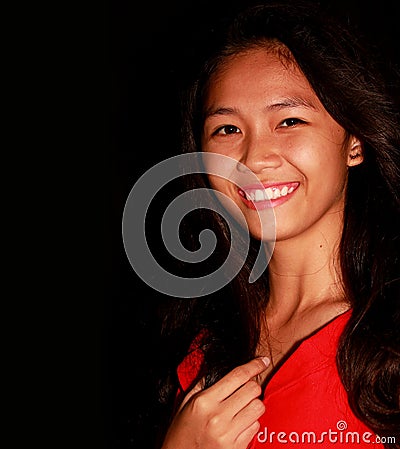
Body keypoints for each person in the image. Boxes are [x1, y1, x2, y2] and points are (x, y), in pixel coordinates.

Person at [154, 1, 400, 448]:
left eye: (288, 120)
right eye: (227, 130)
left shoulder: (389, 345)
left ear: (355, 141)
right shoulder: (203, 352)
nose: (252, 159)